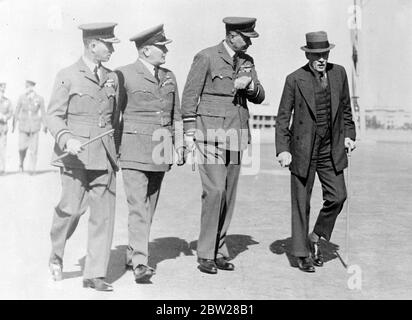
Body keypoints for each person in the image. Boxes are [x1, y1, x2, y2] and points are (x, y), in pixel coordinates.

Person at [181, 17, 265, 274]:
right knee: (215, 191)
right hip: (210, 135)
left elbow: (261, 96)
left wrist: (249, 85)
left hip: (237, 134)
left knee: (228, 194)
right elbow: (189, 96)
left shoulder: (247, 62)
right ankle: (205, 253)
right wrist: (188, 133)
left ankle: (219, 250)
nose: (250, 42)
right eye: (246, 37)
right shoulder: (206, 57)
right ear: (231, 35)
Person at [46, 22, 120, 291]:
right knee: (71, 210)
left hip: (104, 154)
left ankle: (95, 273)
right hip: (75, 156)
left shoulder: (113, 78)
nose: (112, 49)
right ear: (92, 45)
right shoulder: (67, 75)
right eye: (108, 44)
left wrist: (115, 152)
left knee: (103, 214)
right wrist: (67, 138)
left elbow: (116, 118)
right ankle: (56, 255)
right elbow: (53, 115)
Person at [275, 31, 356, 272]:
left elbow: (346, 110)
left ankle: (317, 236)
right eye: (316, 54)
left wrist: (350, 135)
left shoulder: (339, 73)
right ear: (308, 54)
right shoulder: (294, 79)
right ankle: (301, 254)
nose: (321, 59)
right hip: (302, 149)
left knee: (338, 196)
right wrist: (283, 149)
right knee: (301, 202)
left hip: (331, 148)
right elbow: (282, 118)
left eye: (325, 54)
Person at [116, 24, 184, 283]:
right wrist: (114, 149)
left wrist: (180, 145)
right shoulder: (123, 75)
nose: (165, 51)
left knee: (149, 207)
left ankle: (133, 253)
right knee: (137, 207)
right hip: (133, 150)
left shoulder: (169, 76)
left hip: (161, 150)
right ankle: (141, 263)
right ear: (145, 51)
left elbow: (175, 114)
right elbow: (115, 115)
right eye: (161, 47)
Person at [12, 80, 46, 173]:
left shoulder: (39, 98)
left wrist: (45, 125)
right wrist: (13, 125)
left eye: (29, 87)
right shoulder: (21, 98)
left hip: (34, 126)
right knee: (21, 148)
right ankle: (21, 163)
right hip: (23, 126)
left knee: (34, 149)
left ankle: (32, 168)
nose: (28, 89)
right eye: (26, 87)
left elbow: (43, 113)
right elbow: (16, 111)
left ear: (33, 87)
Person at [0, 83, 13, 175]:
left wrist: (5, 117)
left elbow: (10, 112)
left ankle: (2, 169)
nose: (1, 93)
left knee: (2, 148)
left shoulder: (7, 101)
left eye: (2, 91)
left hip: (3, 127)